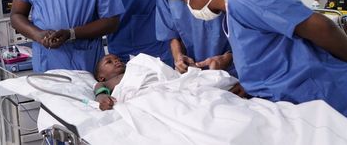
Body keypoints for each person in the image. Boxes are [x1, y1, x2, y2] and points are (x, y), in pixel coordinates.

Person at [170, 0, 347, 128]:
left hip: (326, 93)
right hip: (295, 102)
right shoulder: (231, 8)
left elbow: (322, 28)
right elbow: (263, 52)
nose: (186, 5)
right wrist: (251, 84)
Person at [93, 54, 246, 111]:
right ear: (101, 76)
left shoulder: (137, 65)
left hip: (164, 84)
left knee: (196, 88)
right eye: (109, 62)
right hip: (143, 95)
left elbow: (164, 73)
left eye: (118, 59)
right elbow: (99, 88)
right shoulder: (107, 83)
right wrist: (101, 97)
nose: (117, 62)